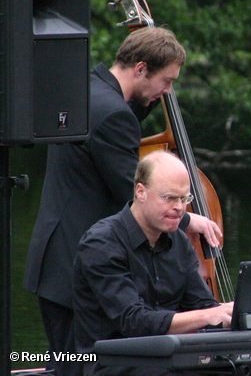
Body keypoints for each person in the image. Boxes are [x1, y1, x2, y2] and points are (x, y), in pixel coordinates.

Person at [23, 27, 223, 374]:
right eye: (166, 80)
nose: (167, 92)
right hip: (79, 264)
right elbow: (130, 190)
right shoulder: (115, 116)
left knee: (69, 364)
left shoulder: (86, 88)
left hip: (55, 256)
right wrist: (189, 220)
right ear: (141, 68)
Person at [73, 150, 234, 376]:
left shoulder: (179, 241)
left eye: (184, 199)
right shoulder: (102, 243)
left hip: (165, 357)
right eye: (169, 198)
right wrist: (208, 316)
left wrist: (234, 316)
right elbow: (134, 322)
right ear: (141, 192)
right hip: (113, 362)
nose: (179, 207)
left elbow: (202, 306)